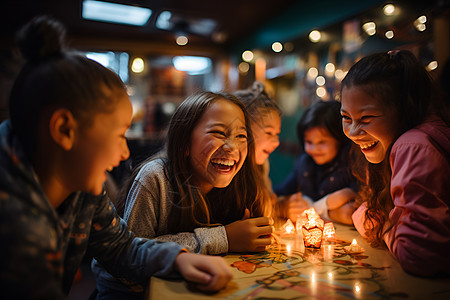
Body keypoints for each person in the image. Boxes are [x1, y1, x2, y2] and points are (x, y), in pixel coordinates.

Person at [0, 16, 232, 299]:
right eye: (120, 135)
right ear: (64, 130)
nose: (125, 153)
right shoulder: (15, 229)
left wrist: (178, 258)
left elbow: (119, 246)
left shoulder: (81, 185)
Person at [92, 91, 274, 297]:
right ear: (185, 142)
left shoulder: (241, 182)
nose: (232, 147)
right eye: (218, 133)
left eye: (241, 136)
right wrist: (224, 237)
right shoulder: (155, 178)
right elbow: (132, 256)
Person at [340, 50, 450, 276]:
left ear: (403, 110)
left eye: (366, 118)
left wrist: (374, 223)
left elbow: (419, 255)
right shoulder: (399, 143)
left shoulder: (412, 146)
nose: (352, 132)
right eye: (346, 117)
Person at [274, 100, 358, 224]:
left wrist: (311, 208)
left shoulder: (352, 165)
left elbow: (351, 211)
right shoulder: (305, 162)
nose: (314, 149)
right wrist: (286, 205)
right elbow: (278, 194)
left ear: (340, 139)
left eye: (322, 142)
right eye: (309, 142)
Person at [233, 81, 281, 193]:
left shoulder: (263, 165)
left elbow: (270, 199)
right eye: (269, 133)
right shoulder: (227, 171)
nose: (277, 142)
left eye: (277, 134)